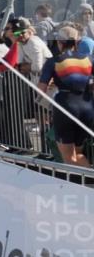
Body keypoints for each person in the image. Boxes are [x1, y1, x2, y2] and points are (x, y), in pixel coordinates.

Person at [38, 26, 94, 167]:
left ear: (59, 42)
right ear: (77, 42)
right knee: (79, 153)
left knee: (68, 157)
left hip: (66, 107)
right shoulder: (88, 60)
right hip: (87, 107)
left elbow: (41, 89)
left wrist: (55, 85)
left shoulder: (54, 61)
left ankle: (82, 187)